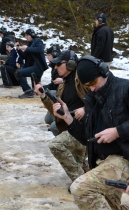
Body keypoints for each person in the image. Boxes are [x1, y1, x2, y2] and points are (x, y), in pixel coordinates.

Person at [52, 55, 129, 210]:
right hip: (102, 161)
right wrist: (68, 118)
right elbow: (87, 139)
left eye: (94, 82)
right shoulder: (91, 100)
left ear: (104, 72)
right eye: (88, 86)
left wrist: (118, 131)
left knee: (81, 188)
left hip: (126, 159)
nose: (92, 88)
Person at [34, 50, 89, 184]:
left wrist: (85, 109)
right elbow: (56, 112)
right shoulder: (63, 84)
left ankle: (81, 182)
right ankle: (89, 176)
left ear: (70, 64)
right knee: (77, 160)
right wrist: (43, 96)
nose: (55, 67)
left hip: (87, 128)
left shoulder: (83, 79)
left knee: (57, 145)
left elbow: (101, 99)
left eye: (59, 64)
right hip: (71, 127)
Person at [16, 29, 48, 99]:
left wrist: (27, 48)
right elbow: (24, 56)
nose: (26, 37)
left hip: (38, 67)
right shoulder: (29, 44)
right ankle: (34, 91)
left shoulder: (38, 41)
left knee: (19, 73)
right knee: (36, 88)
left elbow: (40, 49)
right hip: (33, 67)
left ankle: (28, 91)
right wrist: (19, 50)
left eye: (27, 35)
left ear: (30, 35)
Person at [43, 45, 62, 136]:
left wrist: (63, 80)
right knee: (47, 120)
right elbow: (53, 84)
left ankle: (58, 120)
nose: (47, 56)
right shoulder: (53, 66)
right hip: (58, 93)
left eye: (49, 55)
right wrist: (43, 88)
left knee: (52, 94)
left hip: (63, 96)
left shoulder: (61, 66)